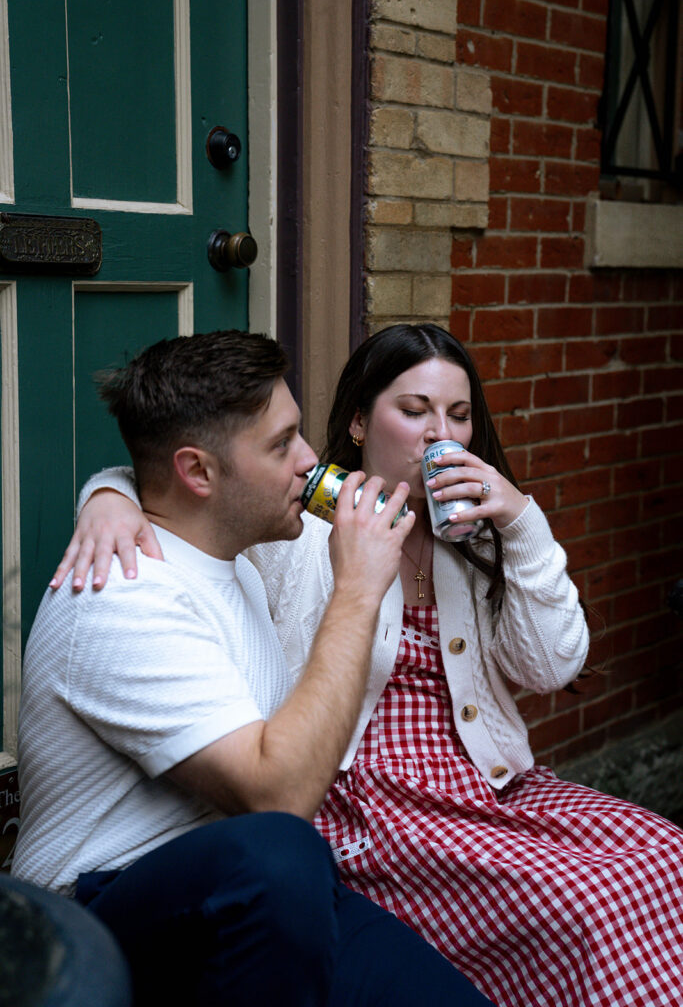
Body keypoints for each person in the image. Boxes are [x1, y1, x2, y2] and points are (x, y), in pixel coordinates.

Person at [55, 324, 683, 1007]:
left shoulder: (469, 537)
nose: (439, 434)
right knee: (586, 900)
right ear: (358, 422)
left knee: (664, 857)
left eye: (459, 415)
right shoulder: (298, 530)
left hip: (479, 783)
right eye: (413, 411)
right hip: (355, 805)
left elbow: (554, 666)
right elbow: (187, 490)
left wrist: (523, 524)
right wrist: (108, 496)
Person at [12, 330, 491, 1007]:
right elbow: (278, 798)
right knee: (278, 850)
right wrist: (358, 588)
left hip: (259, 896)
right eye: (280, 445)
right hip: (94, 916)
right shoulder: (121, 596)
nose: (308, 462)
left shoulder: (239, 559)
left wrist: (108, 488)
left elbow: (146, 479)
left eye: (299, 435)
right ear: (198, 473)